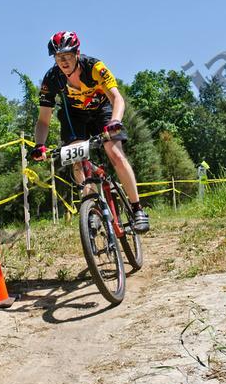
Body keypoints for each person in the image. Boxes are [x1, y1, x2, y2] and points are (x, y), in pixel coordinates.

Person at [30, 31, 150, 233]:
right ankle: (91, 207)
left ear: (77, 53)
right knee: (77, 159)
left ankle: (137, 209)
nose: (63, 61)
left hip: (102, 112)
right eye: (58, 57)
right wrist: (39, 145)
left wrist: (115, 121)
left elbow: (117, 98)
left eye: (67, 55)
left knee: (116, 154)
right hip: (75, 117)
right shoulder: (51, 79)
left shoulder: (95, 67)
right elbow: (43, 119)